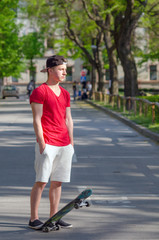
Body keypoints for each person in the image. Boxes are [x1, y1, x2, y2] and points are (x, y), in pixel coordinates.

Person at [29, 55, 74, 230]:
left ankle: (55, 217)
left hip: (64, 143)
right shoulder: (40, 91)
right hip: (48, 143)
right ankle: (33, 219)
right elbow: (37, 119)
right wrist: (42, 143)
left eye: (65, 70)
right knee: (41, 181)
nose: (65, 72)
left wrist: (71, 142)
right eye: (61, 69)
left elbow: (68, 119)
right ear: (50, 70)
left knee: (58, 181)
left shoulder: (65, 93)